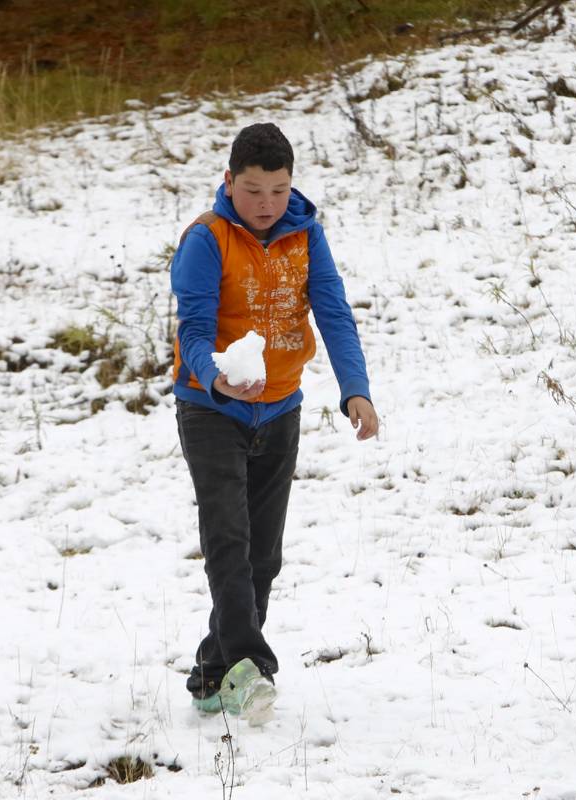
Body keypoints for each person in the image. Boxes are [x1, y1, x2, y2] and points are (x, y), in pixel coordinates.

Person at [170, 122, 379, 725]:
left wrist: (355, 389)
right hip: (211, 409)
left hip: (281, 407)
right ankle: (251, 669)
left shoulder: (306, 233)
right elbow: (194, 328)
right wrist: (215, 377)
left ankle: (212, 672)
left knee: (264, 556)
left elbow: (333, 311)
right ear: (229, 180)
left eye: (279, 191)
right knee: (228, 544)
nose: (267, 205)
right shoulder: (206, 238)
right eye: (254, 191)